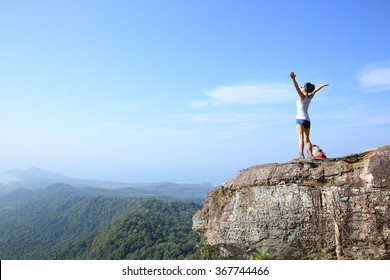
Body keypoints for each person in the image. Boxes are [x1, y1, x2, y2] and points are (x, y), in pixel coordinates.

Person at [290, 72, 329, 160]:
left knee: (300, 137)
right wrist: (322, 86)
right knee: (307, 139)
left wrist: (293, 79)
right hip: (307, 120)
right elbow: (315, 90)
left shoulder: (302, 97)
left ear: (304, 89)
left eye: (302, 86)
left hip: (300, 119)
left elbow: (296, 87)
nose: (301, 87)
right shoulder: (309, 97)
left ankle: (301, 154)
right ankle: (310, 155)